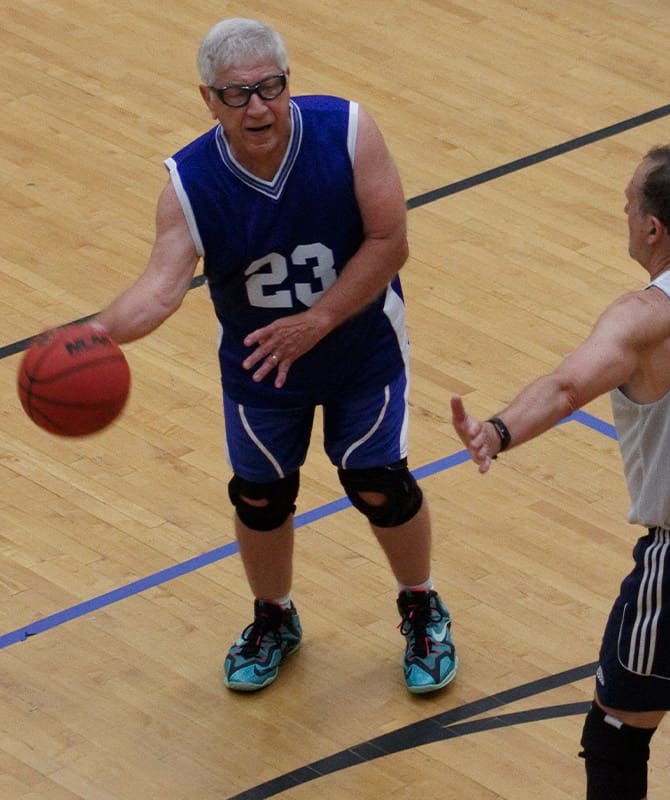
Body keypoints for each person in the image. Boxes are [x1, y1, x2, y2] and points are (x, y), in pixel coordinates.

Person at [93, 17, 457, 695]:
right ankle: (273, 617)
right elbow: (160, 289)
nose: (257, 106)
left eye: (270, 87)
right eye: (238, 94)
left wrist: (316, 321)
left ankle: (421, 604)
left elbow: (389, 241)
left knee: (378, 483)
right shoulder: (188, 182)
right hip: (264, 363)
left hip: (360, 341)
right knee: (260, 498)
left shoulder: (348, 131)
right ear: (209, 99)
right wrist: (91, 335)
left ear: (289, 83)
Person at [451, 145, 670, 798]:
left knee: (616, 732)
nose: (624, 208)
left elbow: (564, 387)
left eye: (629, 201)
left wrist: (496, 432)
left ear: (653, 229)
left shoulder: (648, 318)